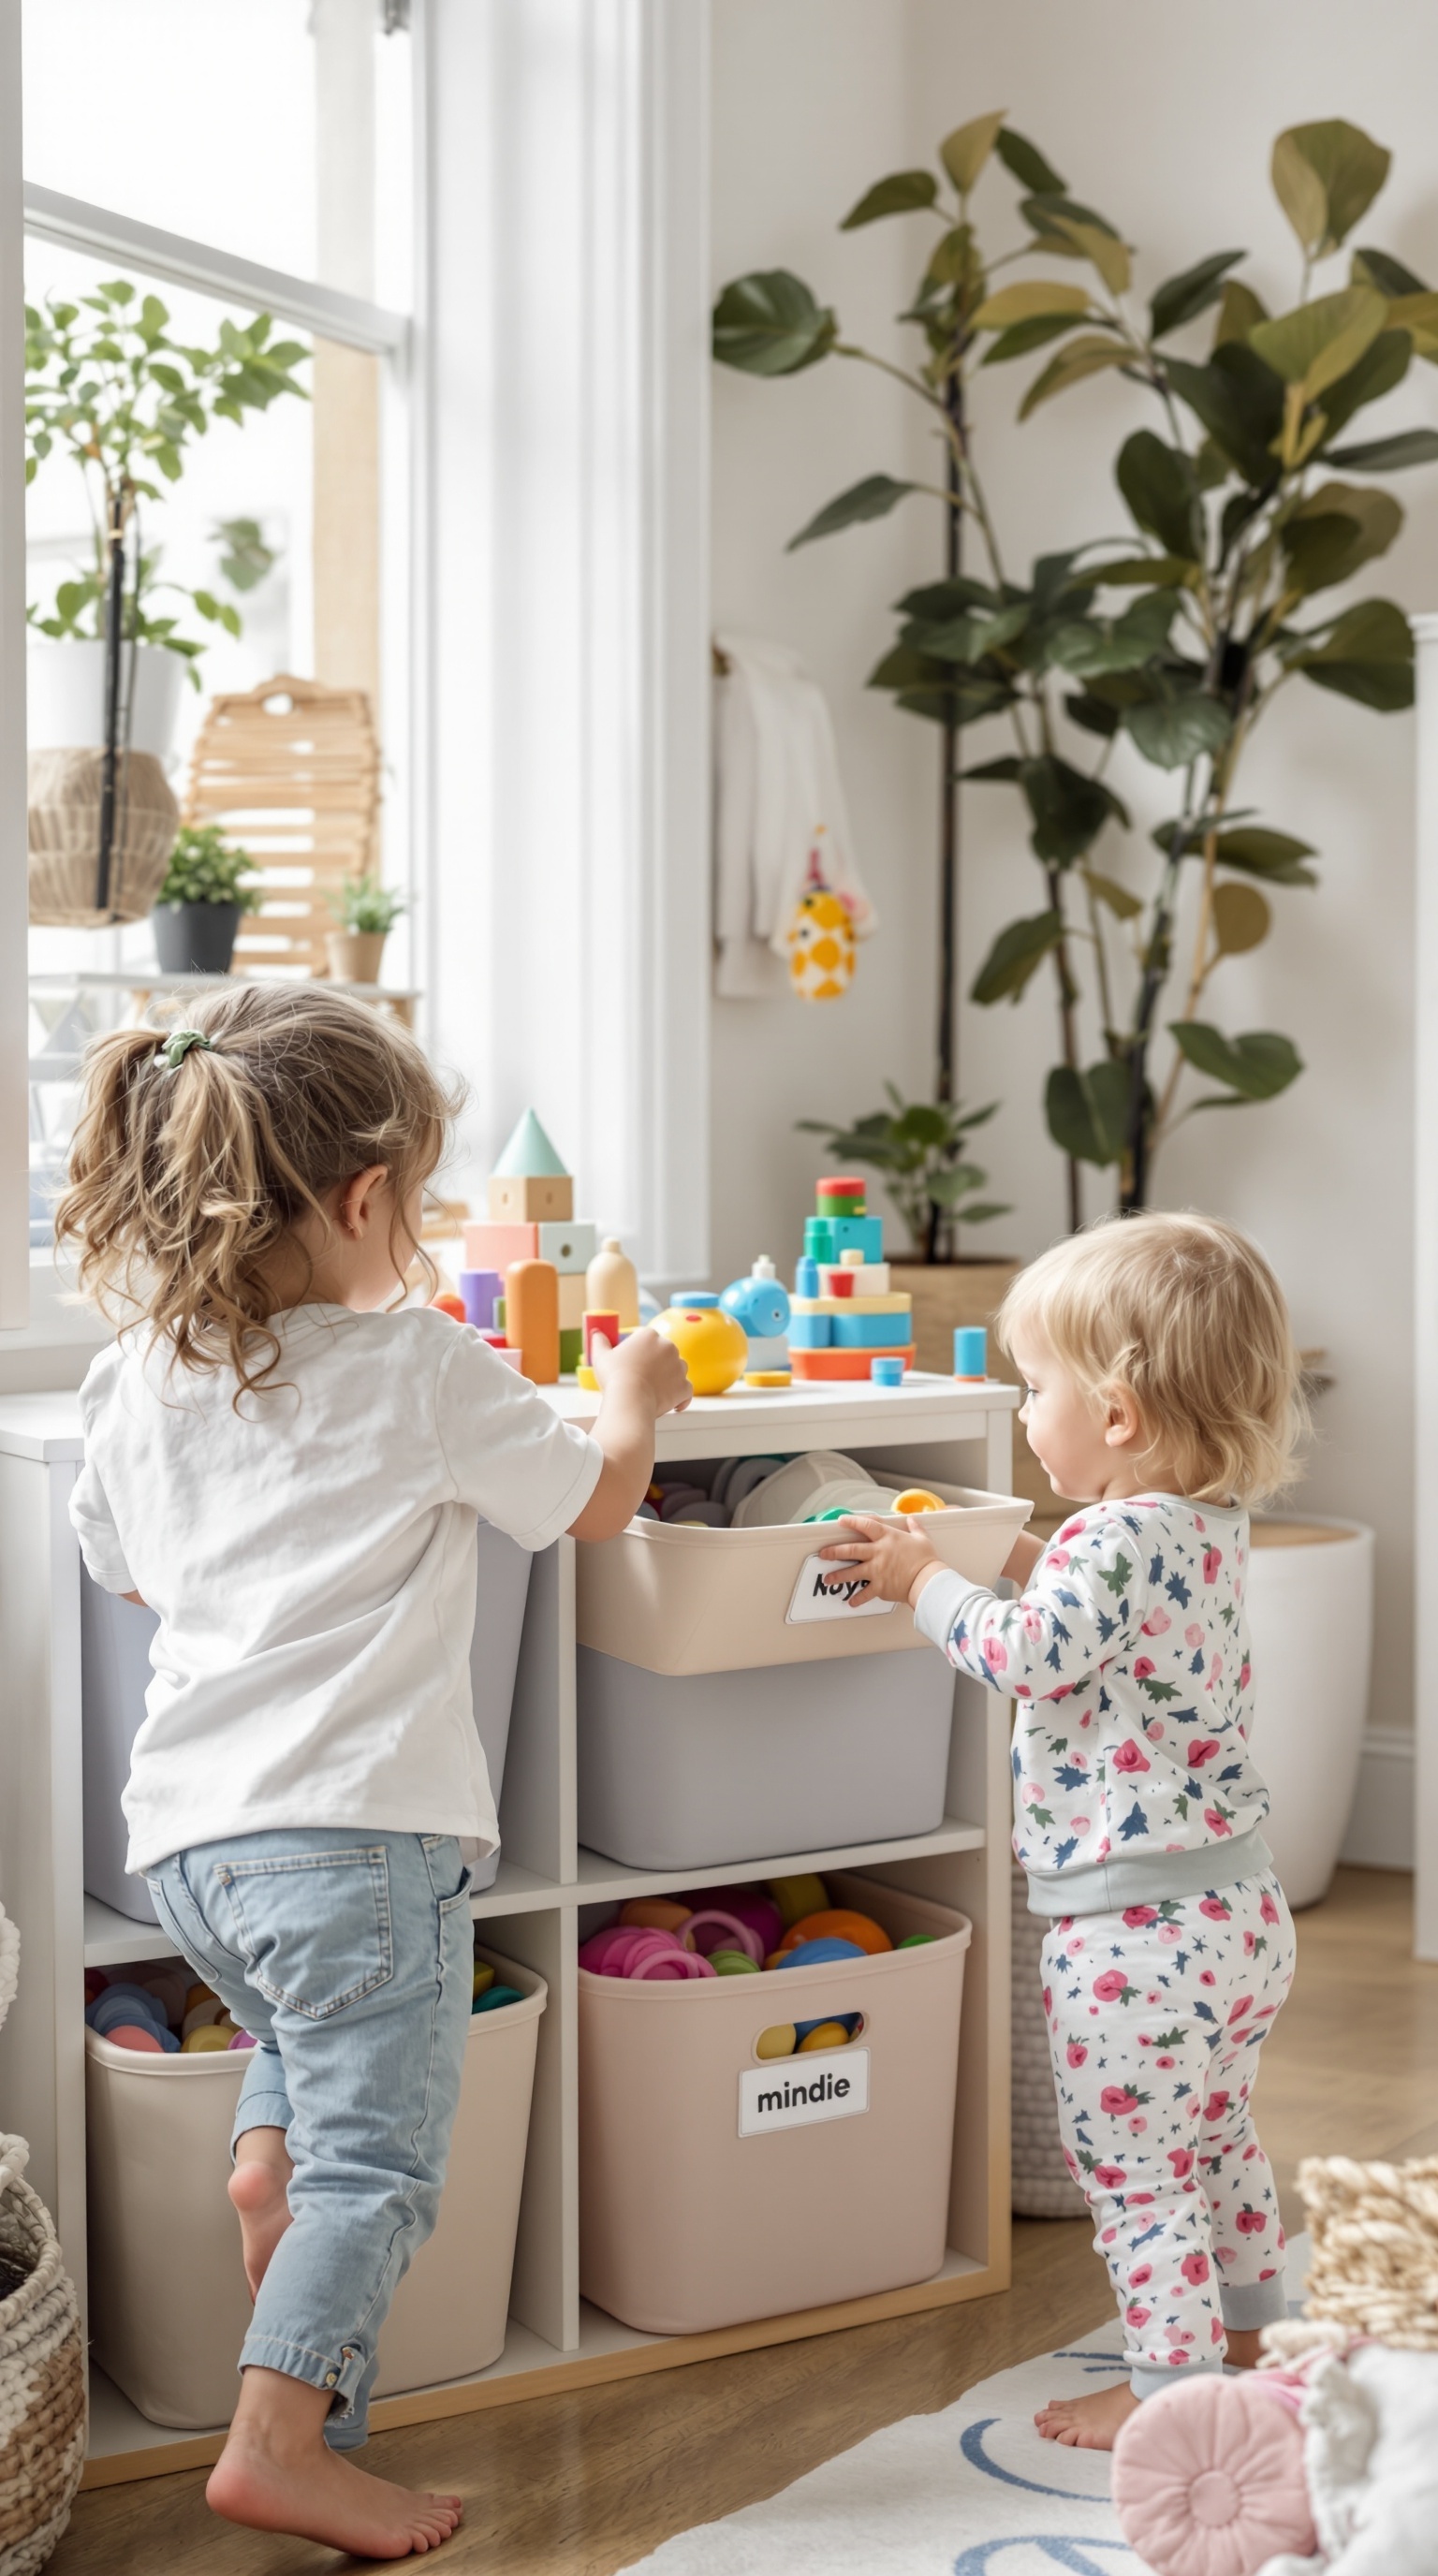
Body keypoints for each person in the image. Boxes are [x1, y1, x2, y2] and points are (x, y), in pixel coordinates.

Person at [57, 987, 689, 2558]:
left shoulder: (138, 1374)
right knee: (387, 2169)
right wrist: (637, 1398)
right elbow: (588, 1507)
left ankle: (268, 2170)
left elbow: (127, 1569)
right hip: (361, 1838)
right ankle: (282, 2440)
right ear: (361, 1202)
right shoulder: (422, 1364)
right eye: (416, 1202)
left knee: (308, 2062)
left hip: (196, 1852)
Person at [821, 1212, 1302, 2452]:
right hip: (1238, 1917)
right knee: (1216, 2136)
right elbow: (1108, 1617)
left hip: (1132, 1935)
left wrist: (924, 1582)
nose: (1026, 1410)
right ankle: (1248, 2336)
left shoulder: (1108, 1539)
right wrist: (1012, 1548)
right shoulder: (1203, 1526)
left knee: (1136, 2176)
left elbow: (1027, 1654)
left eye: (1038, 1388)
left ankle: (1168, 2396)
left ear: (1120, 1417)